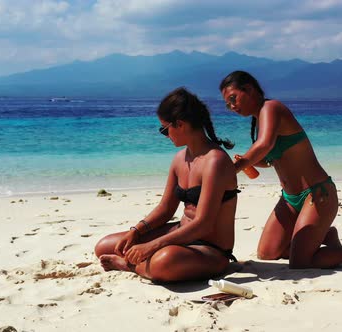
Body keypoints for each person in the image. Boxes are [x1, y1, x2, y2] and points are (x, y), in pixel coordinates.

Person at [219, 70, 342, 269]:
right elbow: (269, 160)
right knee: (267, 253)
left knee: (300, 262)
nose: (232, 107)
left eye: (233, 99)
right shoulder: (260, 120)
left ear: (248, 89)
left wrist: (234, 169)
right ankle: (325, 235)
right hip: (290, 199)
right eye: (227, 104)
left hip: (317, 194)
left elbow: (264, 145)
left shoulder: (271, 108)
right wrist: (250, 162)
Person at [95, 87, 239, 282]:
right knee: (105, 246)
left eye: (164, 129)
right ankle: (143, 262)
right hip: (180, 232)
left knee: (163, 262)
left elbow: (204, 224)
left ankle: (129, 265)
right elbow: (165, 209)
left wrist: (153, 245)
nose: (165, 135)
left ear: (179, 124)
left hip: (210, 248)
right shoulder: (180, 159)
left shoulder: (216, 161)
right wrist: (135, 231)